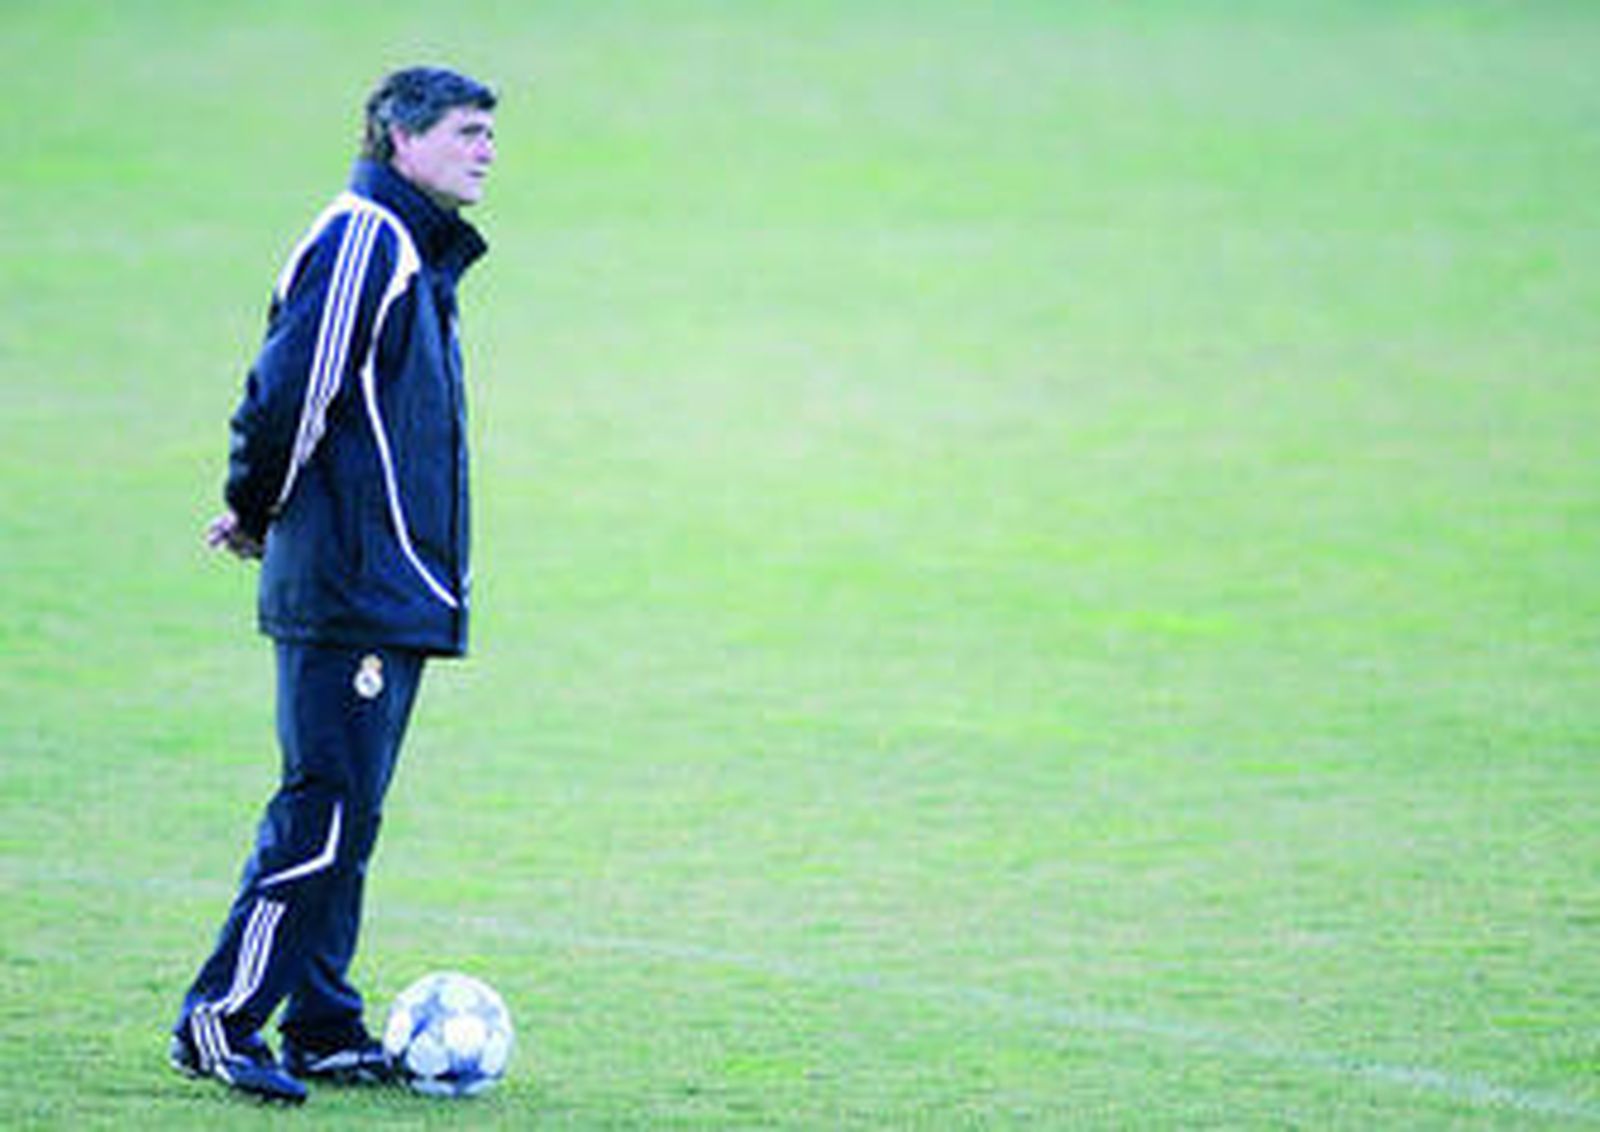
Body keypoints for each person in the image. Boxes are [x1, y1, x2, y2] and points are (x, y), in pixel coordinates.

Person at [170, 66, 498, 1104]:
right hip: (351, 588)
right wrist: (253, 504)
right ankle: (218, 1020)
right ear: (399, 139)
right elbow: (289, 391)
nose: (486, 149)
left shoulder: (412, 249)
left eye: (490, 134)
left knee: (349, 819)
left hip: (388, 593)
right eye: (466, 131)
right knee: (319, 811)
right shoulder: (364, 236)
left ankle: (320, 1022)